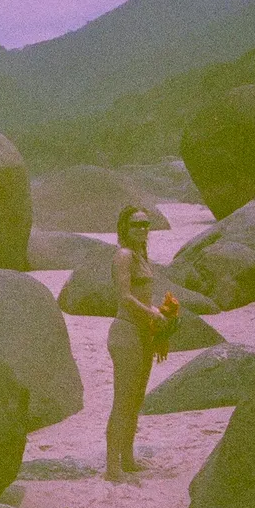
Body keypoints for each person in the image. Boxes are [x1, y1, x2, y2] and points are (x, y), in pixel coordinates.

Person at [105, 205, 165, 481]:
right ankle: (112, 466)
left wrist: (158, 314)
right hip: (126, 332)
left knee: (136, 399)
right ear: (124, 229)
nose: (142, 229)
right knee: (123, 400)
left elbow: (144, 296)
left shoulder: (141, 256)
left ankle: (127, 458)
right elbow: (125, 298)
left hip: (143, 334)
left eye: (145, 224)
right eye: (136, 224)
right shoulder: (124, 255)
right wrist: (151, 313)